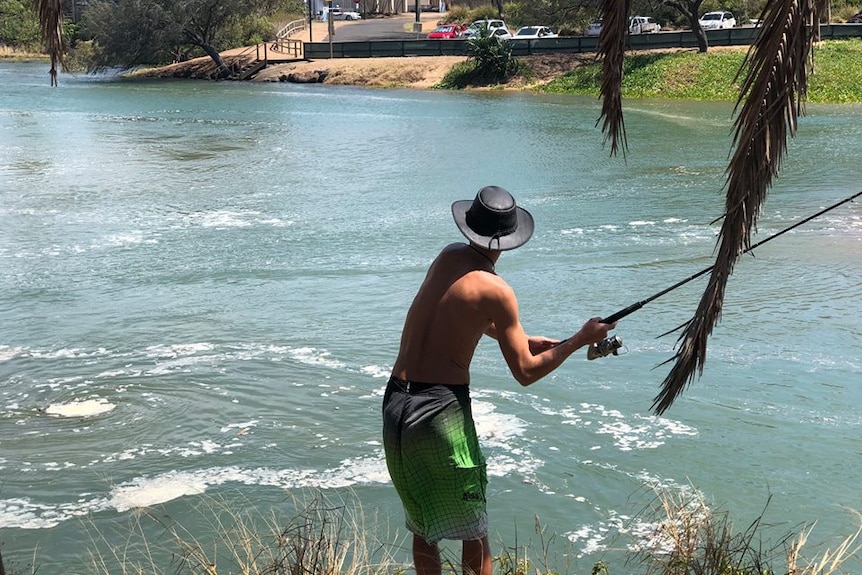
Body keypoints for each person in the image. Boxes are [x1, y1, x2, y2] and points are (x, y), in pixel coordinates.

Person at [382, 185, 617, 575]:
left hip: (396, 401)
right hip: (439, 410)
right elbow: (525, 373)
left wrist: (522, 339)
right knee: (474, 531)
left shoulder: (447, 257)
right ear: (507, 240)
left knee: (425, 527)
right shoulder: (497, 290)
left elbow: (456, 314)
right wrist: (580, 339)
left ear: (469, 227)